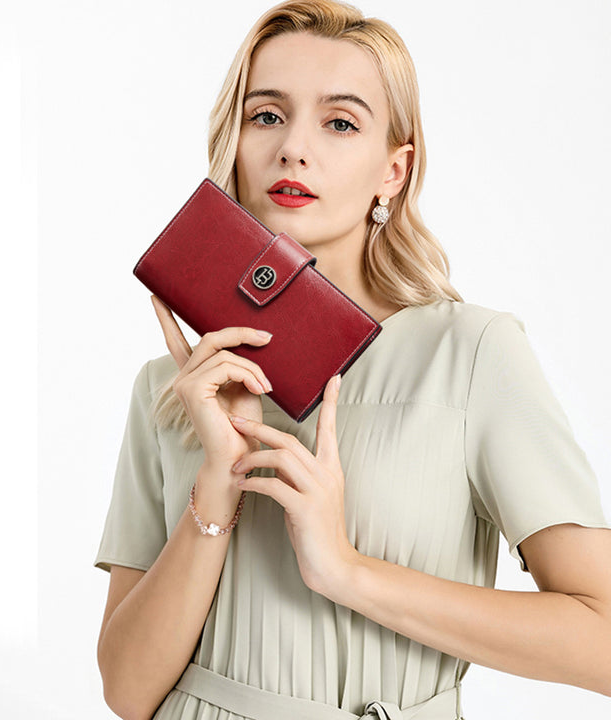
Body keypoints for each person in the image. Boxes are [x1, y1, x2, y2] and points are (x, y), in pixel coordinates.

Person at [94, 1, 611, 718]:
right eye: (266, 115)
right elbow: (126, 692)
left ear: (393, 171)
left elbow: (602, 638)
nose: (293, 148)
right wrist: (218, 480)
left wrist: (345, 571)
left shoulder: (470, 357)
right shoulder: (175, 386)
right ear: (234, 144)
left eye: (339, 122)